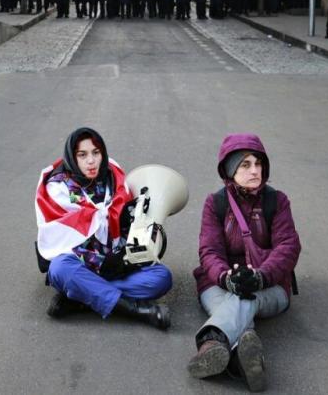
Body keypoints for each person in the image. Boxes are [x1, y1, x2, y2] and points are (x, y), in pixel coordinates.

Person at [187, 133, 301, 392]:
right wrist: (227, 277)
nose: (254, 170)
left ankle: (212, 342)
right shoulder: (215, 203)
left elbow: (288, 247)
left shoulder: (277, 201)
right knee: (236, 302)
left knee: (245, 298)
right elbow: (209, 251)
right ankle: (242, 359)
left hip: (269, 286)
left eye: (258, 163)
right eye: (245, 165)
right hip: (218, 284)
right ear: (230, 170)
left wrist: (261, 277)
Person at [35, 128, 172, 329]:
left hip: (114, 261)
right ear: (72, 157)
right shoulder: (57, 188)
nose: (91, 161)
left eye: (96, 152)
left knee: (162, 278)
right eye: (82, 155)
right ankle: (136, 310)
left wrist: (129, 252)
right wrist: (102, 263)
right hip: (82, 264)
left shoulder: (113, 177)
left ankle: (81, 297)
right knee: (59, 268)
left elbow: (125, 229)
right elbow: (61, 242)